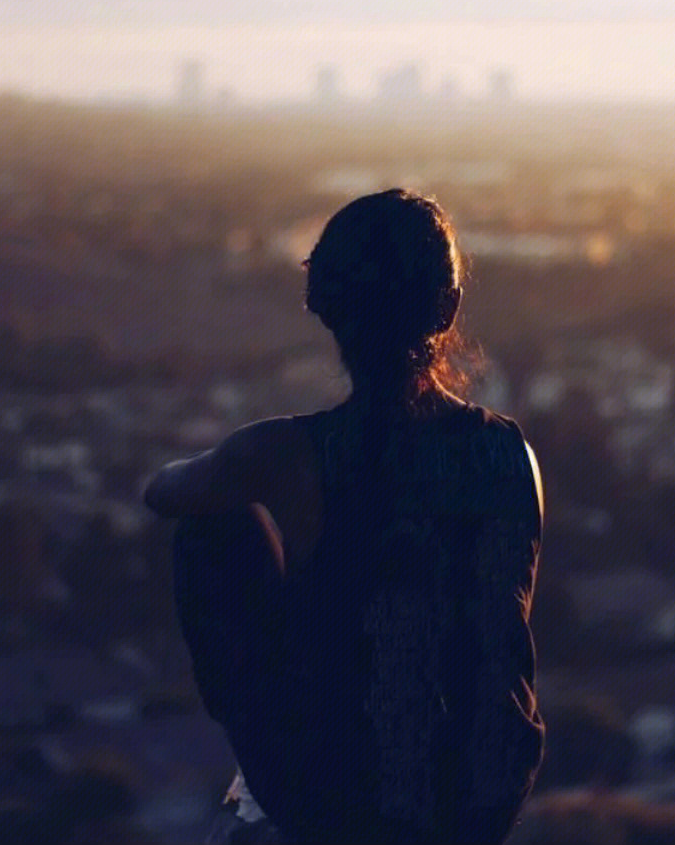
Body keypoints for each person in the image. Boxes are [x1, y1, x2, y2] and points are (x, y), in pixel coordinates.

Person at [144, 188, 545, 844]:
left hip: (334, 801)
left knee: (212, 526)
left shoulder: (285, 453)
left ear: (323, 307)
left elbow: (162, 493)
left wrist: (237, 466)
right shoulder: (512, 455)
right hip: (479, 800)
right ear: (449, 307)